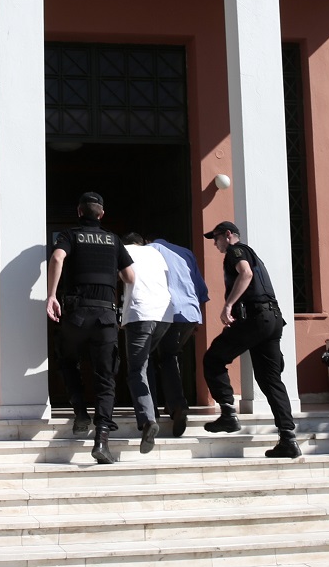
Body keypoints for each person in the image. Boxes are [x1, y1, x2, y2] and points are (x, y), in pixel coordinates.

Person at [46, 192, 136, 464]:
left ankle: (81, 412)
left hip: (76, 314)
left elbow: (58, 258)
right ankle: (101, 441)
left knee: (67, 359)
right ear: (101, 214)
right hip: (105, 317)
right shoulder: (113, 239)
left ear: (79, 211)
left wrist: (51, 295)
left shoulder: (70, 235)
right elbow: (131, 276)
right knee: (105, 376)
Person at [201, 220, 300, 458]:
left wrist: (228, 305)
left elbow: (245, 273)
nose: (214, 243)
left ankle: (227, 413)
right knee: (270, 380)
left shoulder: (237, 250)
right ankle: (288, 438)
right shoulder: (254, 254)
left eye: (216, 238)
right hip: (272, 319)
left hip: (255, 318)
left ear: (228, 235)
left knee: (213, 359)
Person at [148, 237, 209, 437]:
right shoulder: (186, 252)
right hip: (190, 313)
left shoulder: (150, 250)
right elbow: (201, 289)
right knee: (172, 354)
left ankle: (174, 405)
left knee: (161, 357)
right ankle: (171, 403)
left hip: (167, 312)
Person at [119, 232, 171, 454]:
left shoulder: (123, 250)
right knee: (145, 362)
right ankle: (153, 411)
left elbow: (124, 277)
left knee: (136, 370)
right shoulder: (155, 252)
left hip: (140, 314)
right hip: (164, 315)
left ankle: (148, 420)